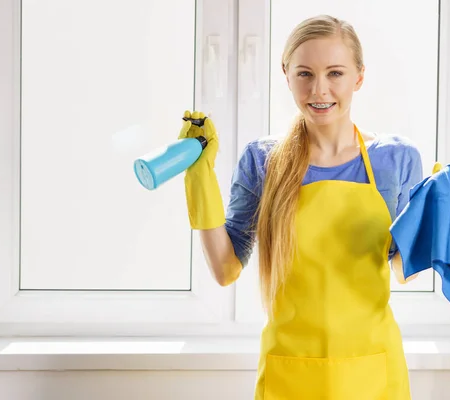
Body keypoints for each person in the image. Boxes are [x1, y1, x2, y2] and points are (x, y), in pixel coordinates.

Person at [179, 14, 423, 400]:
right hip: (290, 371)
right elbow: (225, 270)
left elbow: (403, 270)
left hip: (373, 371)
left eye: (335, 73)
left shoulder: (396, 159)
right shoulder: (263, 160)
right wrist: (200, 179)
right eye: (305, 73)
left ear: (359, 77)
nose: (320, 89)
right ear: (287, 75)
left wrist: (435, 217)